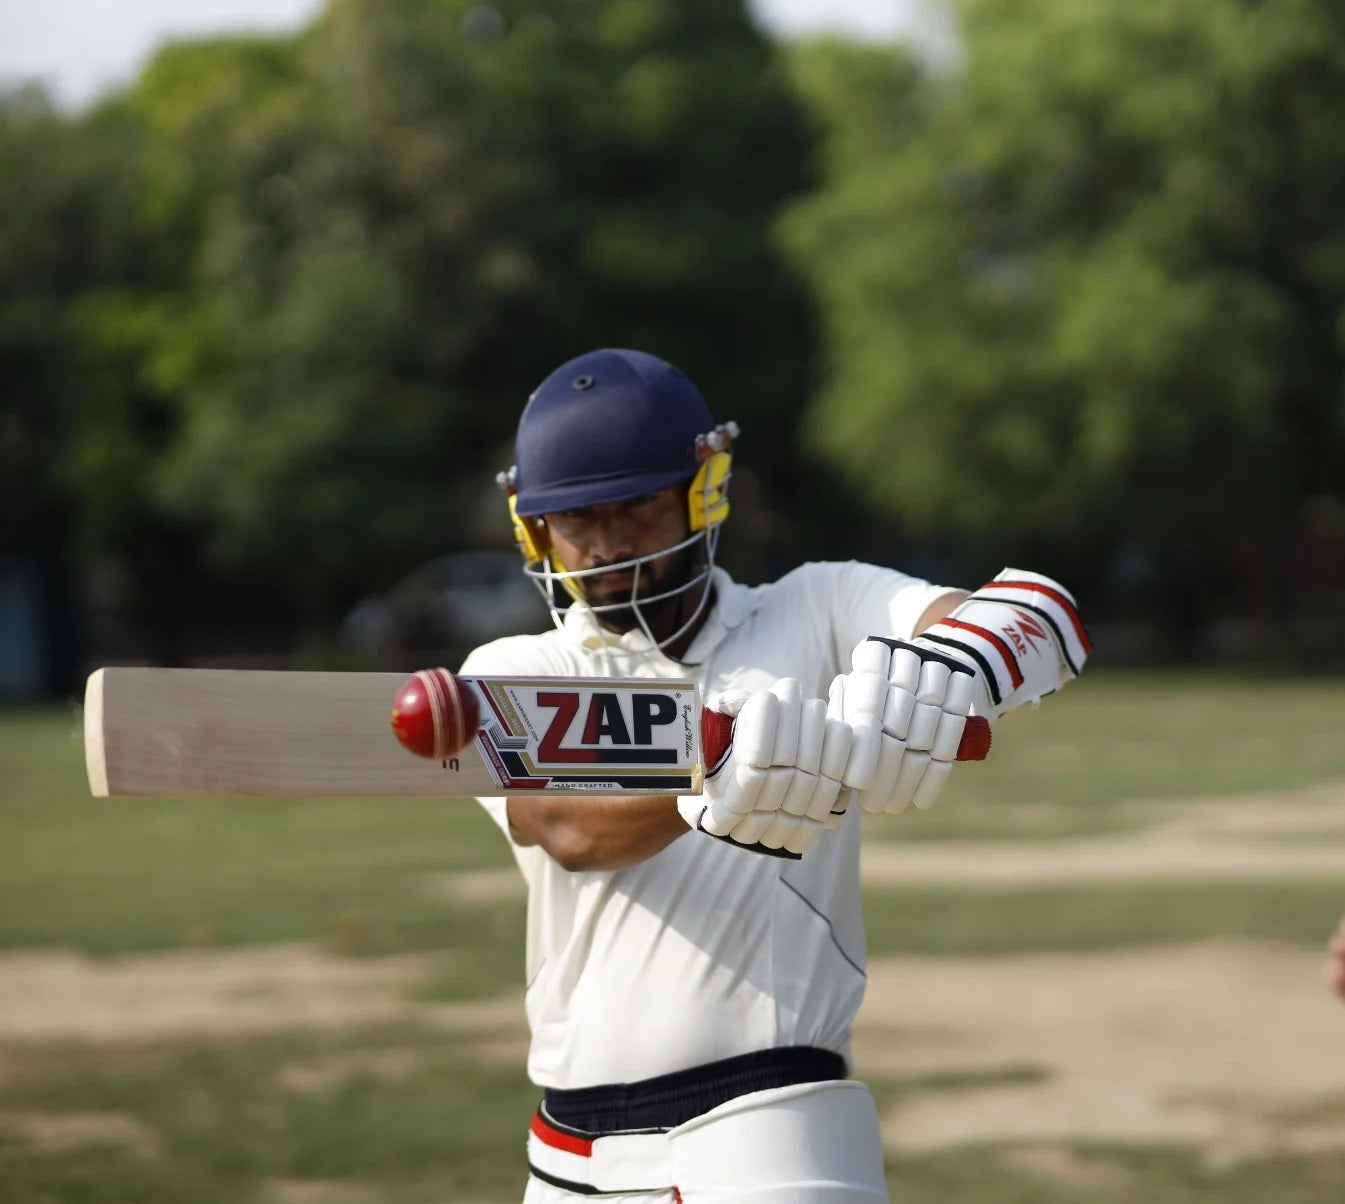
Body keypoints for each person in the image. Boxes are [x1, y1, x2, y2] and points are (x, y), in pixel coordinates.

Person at [460, 348, 1091, 1203]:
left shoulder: (815, 606)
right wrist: (717, 770)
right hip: (568, 1156)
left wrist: (957, 665)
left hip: (777, 1127)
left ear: (702, 489)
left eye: (639, 506)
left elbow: (1027, 615)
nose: (609, 544)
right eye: (578, 518)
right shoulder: (515, 665)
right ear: (534, 527)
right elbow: (568, 827)